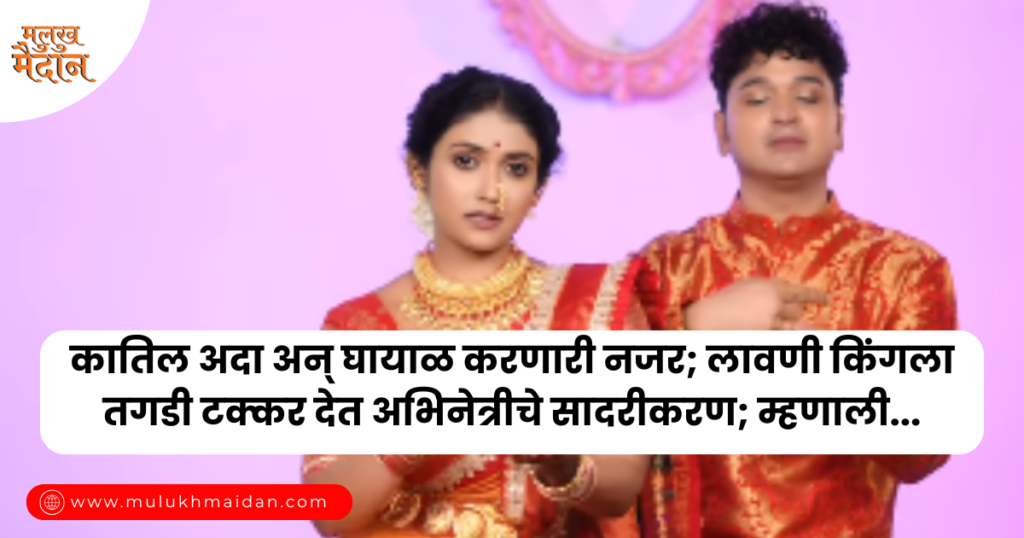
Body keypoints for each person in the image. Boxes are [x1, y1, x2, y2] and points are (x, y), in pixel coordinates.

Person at [630, 3, 957, 538]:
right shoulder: (665, 266)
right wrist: (693, 328)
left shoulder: (905, 268)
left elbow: (926, 450)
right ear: (722, 131)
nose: (785, 113)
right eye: (758, 98)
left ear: (840, 126)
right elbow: (599, 423)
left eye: (807, 96)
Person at [305, 66, 651, 538]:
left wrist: (563, 463)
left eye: (516, 169)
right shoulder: (359, 326)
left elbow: (623, 486)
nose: (491, 192)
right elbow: (328, 510)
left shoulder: (591, 303)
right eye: (466, 161)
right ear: (419, 170)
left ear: (538, 190)